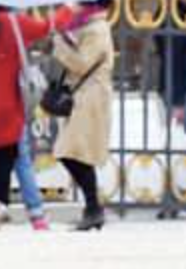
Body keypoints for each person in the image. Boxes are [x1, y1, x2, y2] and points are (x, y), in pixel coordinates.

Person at [0, 6, 68, 230]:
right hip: (10, 103)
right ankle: (36, 213)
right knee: (20, 156)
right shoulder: (16, 22)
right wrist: (67, 8)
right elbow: (47, 27)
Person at [52, 0, 114, 232]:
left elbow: (81, 63)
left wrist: (59, 44)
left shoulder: (97, 28)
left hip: (90, 99)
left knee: (70, 151)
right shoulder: (86, 26)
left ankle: (94, 208)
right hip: (83, 97)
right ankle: (93, 209)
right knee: (74, 152)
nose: (73, 7)